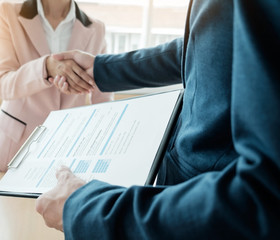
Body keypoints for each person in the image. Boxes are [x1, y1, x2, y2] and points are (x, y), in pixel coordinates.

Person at [35, 0, 280, 239]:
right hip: (181, 193)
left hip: (199, 208)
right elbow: (208, 41)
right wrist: (104, 69)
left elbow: (263, 199)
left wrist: (90, 210)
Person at [0, 0, 113, 172]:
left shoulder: (96, 29)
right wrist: (46, 67)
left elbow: (103, 100)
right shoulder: (7, 14)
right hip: (15, 150)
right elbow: (2, 83)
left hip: (68, 154)